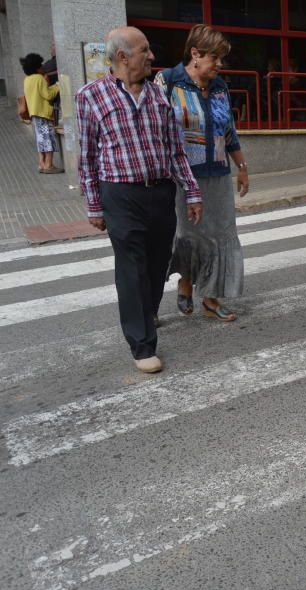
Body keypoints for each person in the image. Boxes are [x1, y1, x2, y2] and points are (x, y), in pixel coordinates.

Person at [76, 26, 203, 373]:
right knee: (131, 267)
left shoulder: (160, 96)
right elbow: (86, 156)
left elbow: (176, 151)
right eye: (144, 50)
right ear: (122, 57)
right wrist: (93, 204)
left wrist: (191, 191)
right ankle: (142, 343)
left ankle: (146, 312)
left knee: (158, 262)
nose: (151, 56)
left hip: (160, 191)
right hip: (120, 194)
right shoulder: (90, 96)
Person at [155, 24, 248, 323]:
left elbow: (229, 131)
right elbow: (153, 130)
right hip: (181, 176)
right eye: (215, 58)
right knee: (185, 235)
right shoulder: (168, 82)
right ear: (195, 54)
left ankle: (209, 296)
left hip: (217, 174)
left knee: (219, 235)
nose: (220, 65)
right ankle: (184, 281)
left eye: (222, 59)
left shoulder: (220, 87)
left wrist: (242, 167)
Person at [20, 52, 62, 174]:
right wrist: (57, 86)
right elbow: (47, 95)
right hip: (43, 113)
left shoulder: (27, 79)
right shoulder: (39, 78)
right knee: (48, 139)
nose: (43, 67)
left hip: (34, 114)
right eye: (41, 65)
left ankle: (41, 164)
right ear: (37, 67)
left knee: (40, 140)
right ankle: (49, 165)